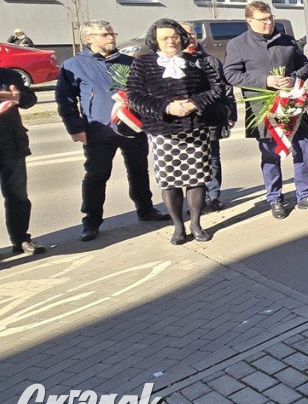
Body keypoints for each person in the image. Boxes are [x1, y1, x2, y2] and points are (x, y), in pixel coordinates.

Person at [56, 21, 169, 241]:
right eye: (105, 34)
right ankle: (91, 220)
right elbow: (65, 100)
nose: (111, 37)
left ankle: (145, 210)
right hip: (98, 130)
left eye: (112, 33)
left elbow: (144, 92)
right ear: (89, 38)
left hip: (132, 127)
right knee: (97, 175)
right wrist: (75, 128)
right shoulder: (73, 65)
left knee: (138, 170)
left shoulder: (128, 62)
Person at [223, 1, 308, 218]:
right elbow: (231, 75)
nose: (269, 23)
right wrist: (266, 80)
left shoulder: (287, 40)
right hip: (265, 110)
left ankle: (305, 195)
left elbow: (306, 66)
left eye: (270, 18)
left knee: (303, 150)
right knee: (271, 155)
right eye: (263, 20)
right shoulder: (238, 44)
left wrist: (294, 79)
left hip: (294, 106)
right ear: (249, 21)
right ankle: (275, 199)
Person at [126, 19, 226, 245]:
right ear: (155, 40)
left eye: (174, 36)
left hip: (195, 127)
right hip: (163, 131)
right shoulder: (143, 63)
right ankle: (178, 226)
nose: (170, 41)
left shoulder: (196, 62)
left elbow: (216, 88)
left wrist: (194, 103)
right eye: (164, 38)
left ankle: (196, 224)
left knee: (197, 178)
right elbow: (134, 96)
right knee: (170, 180)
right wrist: (167, 108)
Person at [181, 22, 236, 212]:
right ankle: (195, 200)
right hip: (185, 121)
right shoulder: (172, 62)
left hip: (211, 118)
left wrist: (230, 114)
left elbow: (226, 89)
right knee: (190, 160)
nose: (192, 36)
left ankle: (213, 196)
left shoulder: (211, 61)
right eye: (186, 33)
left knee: (212, 158)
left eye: (193, 33)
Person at [0, 67, 43, 255]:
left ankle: (21, 239)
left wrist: (17, 98)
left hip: (11, 143)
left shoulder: (9, 75)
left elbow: (30, 99)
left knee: (18, 196)